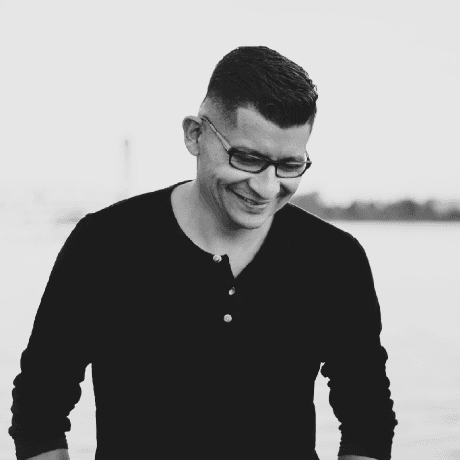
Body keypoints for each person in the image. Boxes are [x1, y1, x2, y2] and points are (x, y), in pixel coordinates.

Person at [8, 46, 398, 460]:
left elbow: (367, 421)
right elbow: (39, 411)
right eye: (247, 158)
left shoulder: (335, 260)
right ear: (195, 135)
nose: (267, 188)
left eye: (289, 165)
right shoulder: (104, 244)